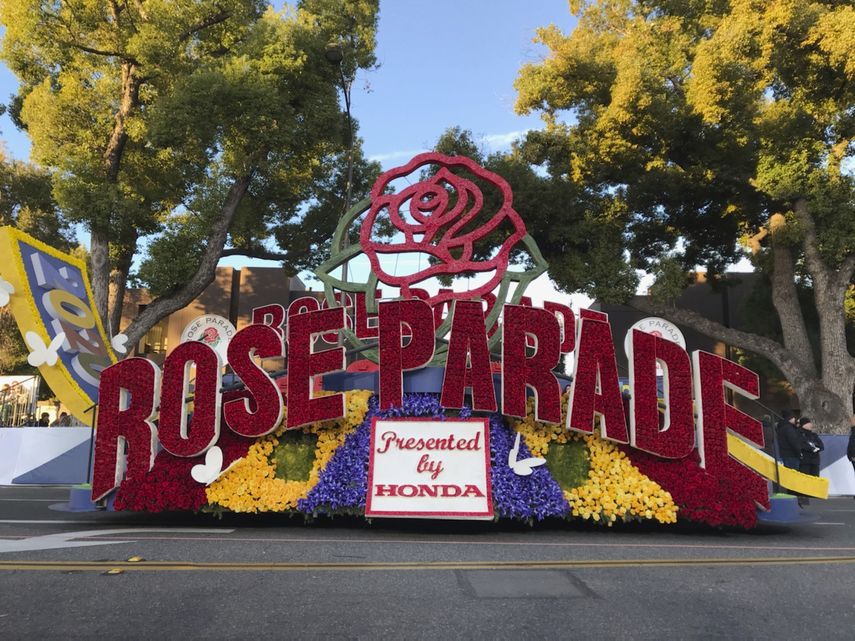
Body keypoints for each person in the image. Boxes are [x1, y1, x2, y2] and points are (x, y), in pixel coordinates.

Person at [796, 416, 824, 507]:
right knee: (805, 477)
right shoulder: (799, 434)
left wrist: (817, 448)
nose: (811, 424)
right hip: (805, 460)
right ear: (804, 424)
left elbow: (821, 445)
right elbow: (801, 445)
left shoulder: (814, 435)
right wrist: (811, 448)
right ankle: (804, 495)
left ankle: (814, 493)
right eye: (809, 423)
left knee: (815, 476)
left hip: (815, 460)